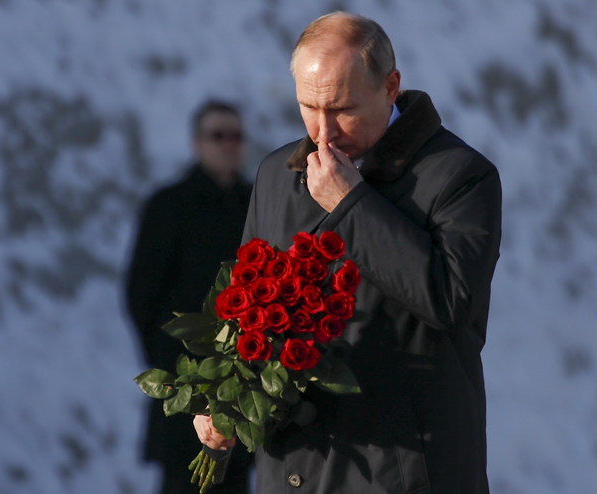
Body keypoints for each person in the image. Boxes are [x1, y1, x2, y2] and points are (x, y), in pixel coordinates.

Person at [194, 12, 502, 494]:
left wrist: (351, 203)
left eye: (341, 109)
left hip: (400, 469)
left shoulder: (460, 176)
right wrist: (222, 398)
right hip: (292, 469)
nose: (322, 132)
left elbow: (451, 301)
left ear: (390, 86)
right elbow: (245, 309)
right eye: (307, 107)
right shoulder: (277, 172)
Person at [126, 100, 254, 493]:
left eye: (235, 136)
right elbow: (140, 294)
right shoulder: (168, 206)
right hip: (184, 381)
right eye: (218, 135)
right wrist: (171, 370)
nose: (228, 144)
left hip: (246, 382)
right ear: (196, 143)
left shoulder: (256, 204)